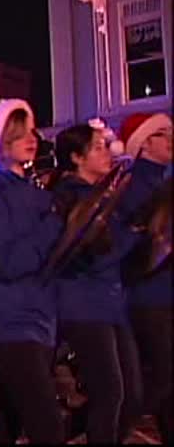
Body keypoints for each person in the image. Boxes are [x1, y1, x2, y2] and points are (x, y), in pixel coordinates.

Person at [0, 99, 65, 443]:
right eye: (17, 134)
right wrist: (53, 226)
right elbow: (9, 263)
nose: (31, 138)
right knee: (47, 427)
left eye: (30, 131)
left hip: (39, 321)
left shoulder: (34, 193)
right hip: (9, 325)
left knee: (8, 425)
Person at [49, 123, 143, 443]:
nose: (108, 152)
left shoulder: (99, 193)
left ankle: (59, 431)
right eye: (99, 147)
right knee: (110, 394)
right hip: (84, 305)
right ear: (76, 157)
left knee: (132, 394)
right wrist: (136, 236)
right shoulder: (70, 198)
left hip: (110, 304)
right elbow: (93, 254)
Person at [116, 112, 172, 444]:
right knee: (160, 379)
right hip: (147, 297)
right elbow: (141, 244)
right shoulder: (135, 185)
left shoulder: (162, 182)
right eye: (164, 134)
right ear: (145, 143)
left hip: (163, 293)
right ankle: (91, 427)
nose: (171, 139)